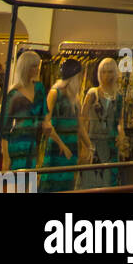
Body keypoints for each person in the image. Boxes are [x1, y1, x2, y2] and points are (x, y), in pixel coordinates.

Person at [0, 50, 52, 173]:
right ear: (25, 68)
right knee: (15, 186)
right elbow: (4, 129)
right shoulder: (14, 95)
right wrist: (6, 158)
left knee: (29, 183)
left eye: (37, 65)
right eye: (34, 66)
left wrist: (46, 124)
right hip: (17, 144)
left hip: (33, 143)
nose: (37, 69)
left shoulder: (39, 88)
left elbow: (44, 116)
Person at [41, 58, 87, 193]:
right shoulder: (55, 93)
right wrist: (61, 145)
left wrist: (88, 146)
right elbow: (46, 123)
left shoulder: (75, 98)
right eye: (79, 76)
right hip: (57, 145)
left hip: (72, 145)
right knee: (51, 181)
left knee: (67, 183)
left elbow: (80, 126)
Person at [81, 57, 126, 188]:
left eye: (110, 72)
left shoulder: (119, 96)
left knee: (109, 182)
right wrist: (84, 145)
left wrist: (122, 136)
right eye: (104, 72)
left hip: (111, 144)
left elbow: (120, 121)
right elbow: (82, 119)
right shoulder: (92, 93)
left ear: (115, 73)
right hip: (93, 143)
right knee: (91, 181)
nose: (106, 75)